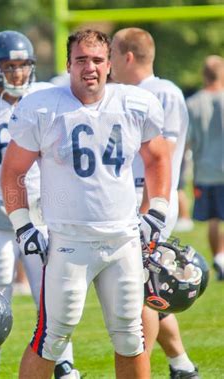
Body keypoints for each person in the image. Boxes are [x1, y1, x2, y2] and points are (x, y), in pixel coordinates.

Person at [1, 29, 171, 379]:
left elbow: (157, 158)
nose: (89, 68)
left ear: (110, 65)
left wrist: (158, 210)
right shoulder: (43, 106)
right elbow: (12, 172)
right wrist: (23, 225)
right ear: (68, 65)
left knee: (130, 337)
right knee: (51, 338)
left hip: (122, 239)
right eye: (81, 60)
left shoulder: (134, 103)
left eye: (96, 60)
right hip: (69, 242)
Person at [0, 30, 78, 379]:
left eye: (24, 65)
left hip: (38, 209)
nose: (19, 73)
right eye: (10, 66)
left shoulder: (45, 96)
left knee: (51, 291)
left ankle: (63, 361)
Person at [110, 27, 199, 379]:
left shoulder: (161, 92)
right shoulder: (130, 92)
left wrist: (150, 212)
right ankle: (182, 366)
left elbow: (160, 158)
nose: (109, 64)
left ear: (128, 56)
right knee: (149, 290)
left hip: (149, 204)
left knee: (139, 292)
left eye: (113, 55)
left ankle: (141, 365)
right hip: (135, 203)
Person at [186, 55, 224, 280]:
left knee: (212, 219)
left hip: (204, 170)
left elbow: (188, 139)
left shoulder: (192, 103)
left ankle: (218, 257)